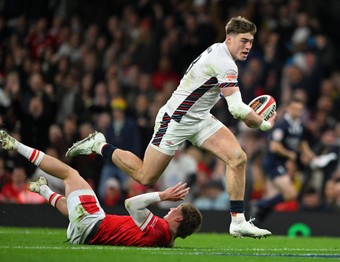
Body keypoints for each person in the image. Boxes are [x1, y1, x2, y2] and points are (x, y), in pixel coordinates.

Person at [65, 16, 275, 238]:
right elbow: (237, 110)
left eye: (251, 41)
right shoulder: (225, 63)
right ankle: (99, 145)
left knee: (237, 158)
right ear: (229, 39)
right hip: (175, 120)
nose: (248, 46)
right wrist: (263, 124)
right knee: (146, 177)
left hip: (199, 118)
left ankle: (238, 222)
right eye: (243, 40)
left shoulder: (219, 51)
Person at [0, 130, 202, 247]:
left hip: (91, 224)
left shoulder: (161, 229)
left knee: (70, 175)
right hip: (86, 233)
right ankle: (44, 189)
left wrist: (163, 194)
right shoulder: (168, 241)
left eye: (175, 210)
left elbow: (131, 203)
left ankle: (15, 145)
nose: (170, 209)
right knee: (77, 208)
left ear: (179, 219)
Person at [254, 98, 336, 221]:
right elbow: (274, 146)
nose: (297, 112)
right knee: (291, 194)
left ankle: (263, 210)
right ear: (288, 108)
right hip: (273, 163)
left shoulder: (299, 126)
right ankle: (261, 205)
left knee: (289, 194)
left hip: (282, 164)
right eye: (295, 109)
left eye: (300, 109)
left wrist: (315, 158)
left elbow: (303, 145)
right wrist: (289, 154)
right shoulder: (282, 125)